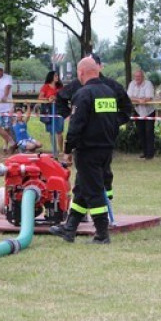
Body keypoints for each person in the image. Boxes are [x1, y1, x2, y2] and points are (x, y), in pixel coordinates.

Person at [49, 57, 119, 245]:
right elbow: (115, 121)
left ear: (81, 73)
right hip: (106, 149)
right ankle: (70, 228)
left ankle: (102, 234)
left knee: (94, 191)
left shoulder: (83, 94)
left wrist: (68, 149)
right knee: (81, 189)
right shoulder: (109, 92)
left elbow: (76, 126)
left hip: (88, 150)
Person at [56, 54, 131, 204]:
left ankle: (105, 204)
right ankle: (80, 212)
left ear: (98, 66)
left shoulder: (112, 86)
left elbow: (127, 109)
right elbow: (60, 99)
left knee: (104, 175)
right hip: (85, 142)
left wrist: (111, 122)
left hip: (104, 139)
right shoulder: (78, 85)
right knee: (84, 176)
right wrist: (70, 116)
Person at [127, 67, 156, 160]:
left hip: (149, 111)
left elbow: (149, 97)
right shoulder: (131, 84)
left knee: (149, 131)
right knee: (140, 132)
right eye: (136, 76)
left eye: (139, 76)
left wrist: (139, 99)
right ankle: (145, 152)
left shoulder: (148, 84)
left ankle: (150, 154)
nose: (137, 78)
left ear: (142, 76)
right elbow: (128, 97)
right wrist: (139, 100)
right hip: (138, 110)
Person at [38, 71, 64, 155]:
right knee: (51, 131)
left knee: (59, 131)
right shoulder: (45, 87)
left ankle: (61, 150)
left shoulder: (60, 86)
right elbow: (40, 98)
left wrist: (55, 97)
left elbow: (64, 96)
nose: (57, 77)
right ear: (51, 77)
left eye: (57, 75)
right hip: (49, 110)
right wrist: (48, 98)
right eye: (55, 75)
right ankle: (54, 150)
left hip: (59, 110)